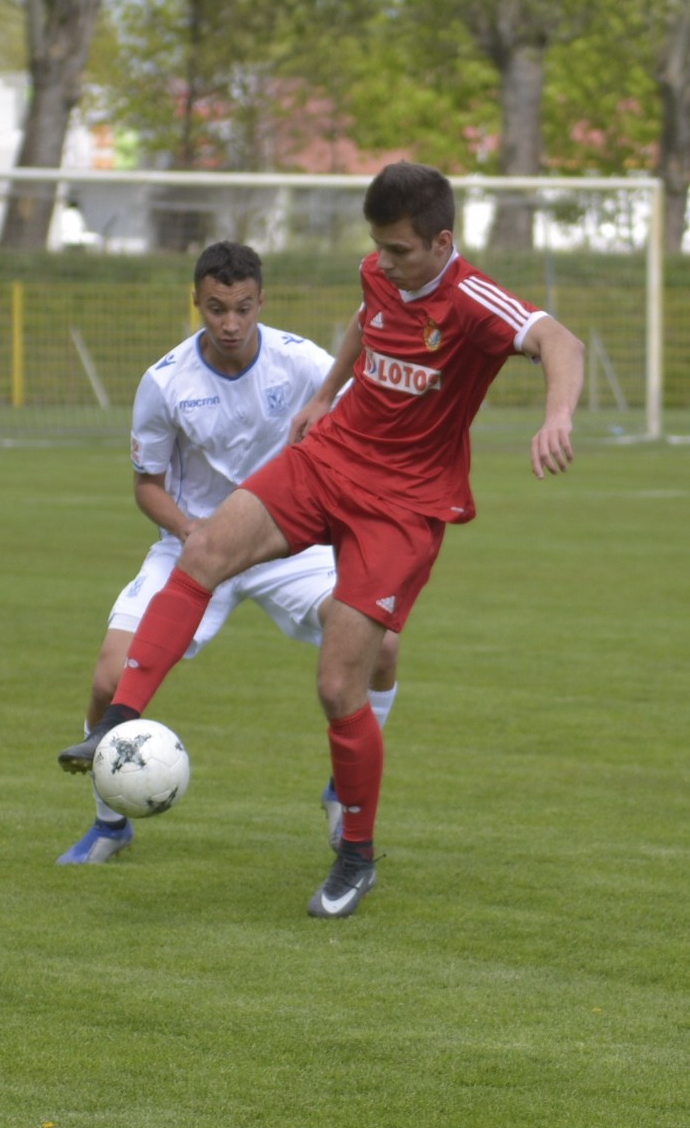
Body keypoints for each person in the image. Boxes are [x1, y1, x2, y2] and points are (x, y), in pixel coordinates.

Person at [59, 162, 585, 919]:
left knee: (340, 686)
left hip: (401, 507)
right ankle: (117, 722)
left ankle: (355, 855)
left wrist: (557, 415)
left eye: (401, 250)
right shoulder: (382, 272)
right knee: (203, 551)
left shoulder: (473, 300)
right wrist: (324, 394)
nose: (385, 261)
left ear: (443, 241)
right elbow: (365, 321)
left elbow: (559, 341)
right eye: (379, 248)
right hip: (330, 458)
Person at [57, 239, 400, 864]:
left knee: (385, 649)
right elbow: (146, 486)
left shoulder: (302, 364)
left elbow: (356, 433)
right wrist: (192, 532)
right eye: (217, 309)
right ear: (196, 303)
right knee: (110, 680)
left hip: (291, 546)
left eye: (244, 308)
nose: (232, 323)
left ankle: (343, 787)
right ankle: (110, 824)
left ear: (262, 301)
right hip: (196, 545)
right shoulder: (164, 382)